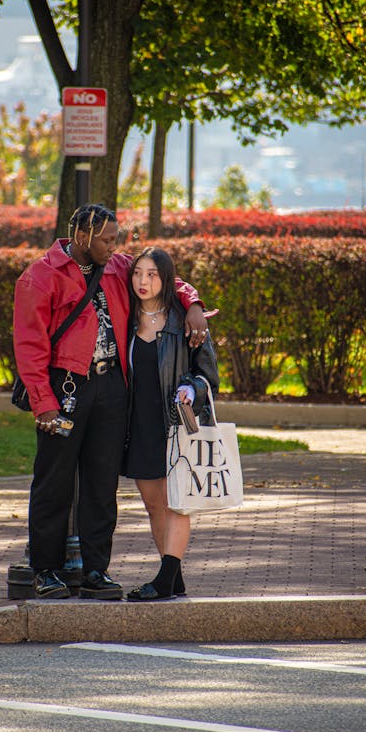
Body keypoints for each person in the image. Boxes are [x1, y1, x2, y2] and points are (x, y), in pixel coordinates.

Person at [12, 204, 208, 601]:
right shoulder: (40, 276)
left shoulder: (118, 267)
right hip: (64, 388)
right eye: (105, 240)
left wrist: (195, 306)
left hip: (112, 388)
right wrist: (43, 403)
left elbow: (166, 278)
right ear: (82, 235)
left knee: (102, 484)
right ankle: (46, 570)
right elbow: (29, 347)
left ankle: (95, 570)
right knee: (54, 480)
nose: (113, 247)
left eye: (115, 239)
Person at [124, 246, 219, 601]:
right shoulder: (125, 317)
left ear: (166, 280)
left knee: (177, 500)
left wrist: (190, 390)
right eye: (138, 273)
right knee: (153, 503)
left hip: (176, 424)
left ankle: (164, 579)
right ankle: (173, 573)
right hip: (138, 423)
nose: (143, 281)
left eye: (152, 274)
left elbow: (208, 375)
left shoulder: (184, 322)